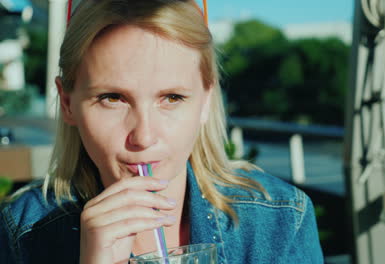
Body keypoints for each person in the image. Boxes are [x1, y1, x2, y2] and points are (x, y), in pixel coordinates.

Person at [0, 0, 323, 263]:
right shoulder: (25, 231)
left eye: (172, 98)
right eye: (112, 98)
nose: (144, 136)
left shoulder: (279, 219)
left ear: (206, 101)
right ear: (68, 104)